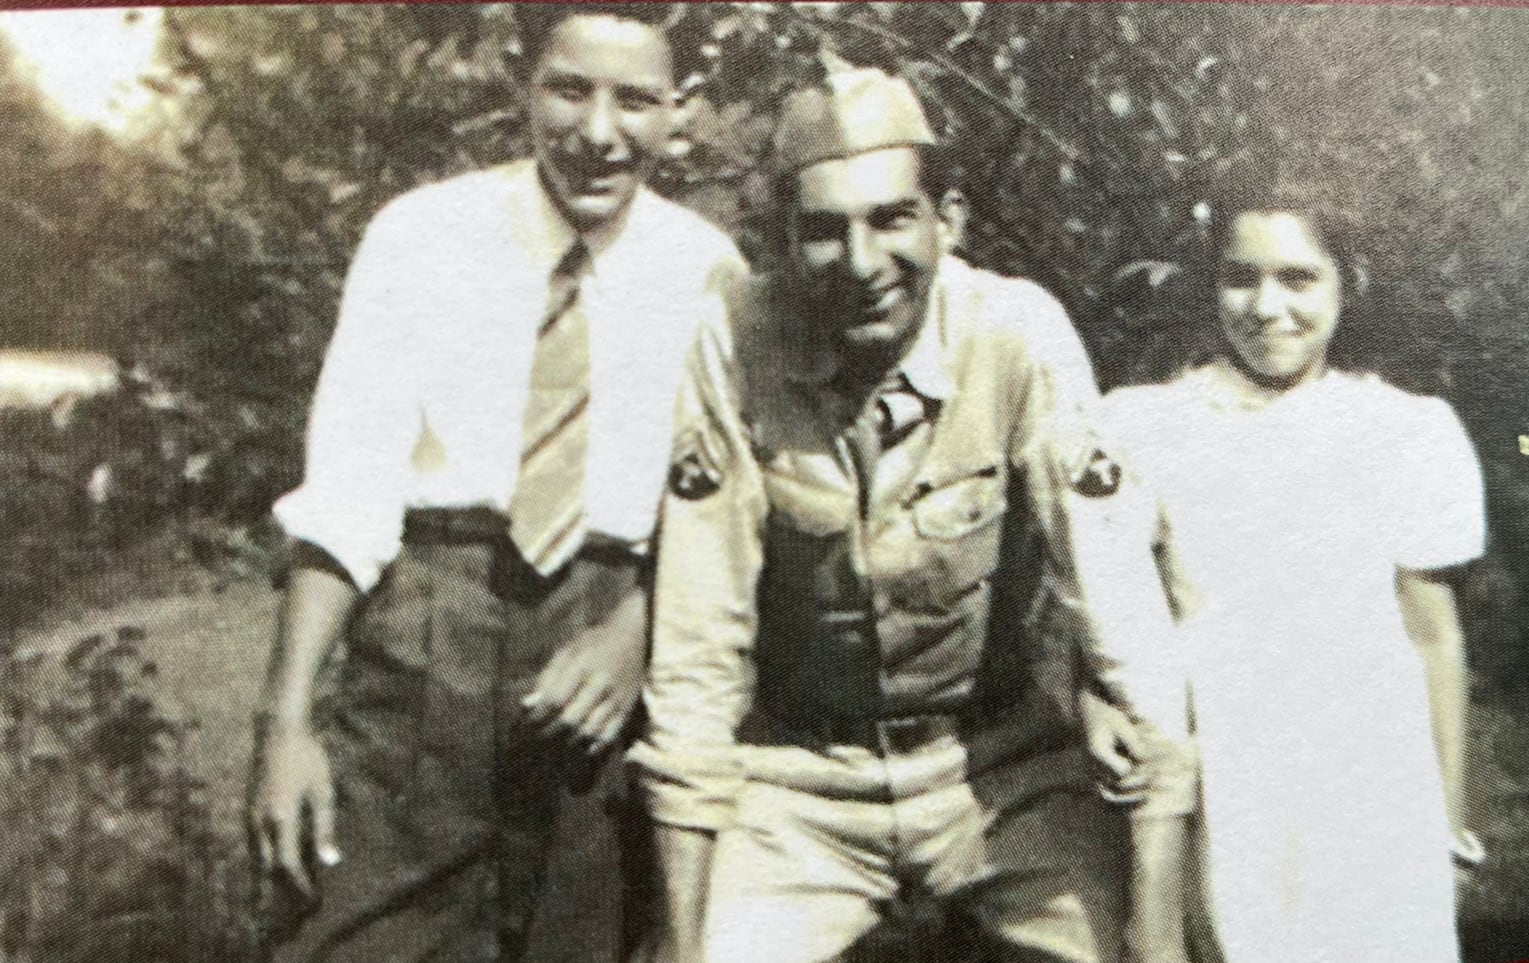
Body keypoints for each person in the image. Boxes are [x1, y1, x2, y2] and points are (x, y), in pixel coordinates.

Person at [632, 63, 1179, 963]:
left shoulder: (1015, 332)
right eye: (822, 231)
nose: (861, 264)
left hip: (998, 768)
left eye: (891, 218)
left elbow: (1120, 606)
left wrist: (1158, 933)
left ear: (948, 219)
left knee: (1138, 946)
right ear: (781, 239)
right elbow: (699, 640)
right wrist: (683, 939)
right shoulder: (735, 340)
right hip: (799, 783)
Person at [249, 6, 743, 960]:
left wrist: (639, 635)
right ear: (525, 84)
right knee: (341, 935)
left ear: (678, 112)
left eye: (635, 100)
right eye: (570, 89)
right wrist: (285, 725)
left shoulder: (713, 275)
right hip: (424, 642)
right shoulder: (421, 236)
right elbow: (346, 497)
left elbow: (724, 519)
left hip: (602, 669)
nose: (599, 133)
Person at [1105, 182, 1486, 963]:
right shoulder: (1146, 426)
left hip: (1371, 784)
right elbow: (1108, 610)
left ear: (1348, 284)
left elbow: (1433, 640)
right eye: (1241, 277)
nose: (1267, 305)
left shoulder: (1407, 432)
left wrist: (1445, 827)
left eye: (1299, 278)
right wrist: (1093, 702)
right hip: (1231, 781)